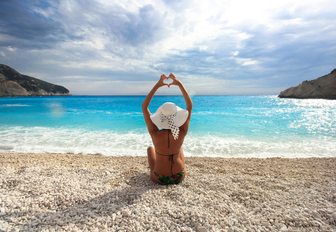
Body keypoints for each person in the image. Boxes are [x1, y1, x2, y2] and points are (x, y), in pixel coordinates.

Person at [142, 73, 192, 185]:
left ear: (160, 117)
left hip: (159, 178)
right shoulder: (181, 132)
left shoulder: (154, 133)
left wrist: (158, 85)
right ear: (178, 116)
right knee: (179, 148)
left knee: (151, 149)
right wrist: (179, 84)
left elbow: (144, 107)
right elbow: (189, 106)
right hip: (179, 176)